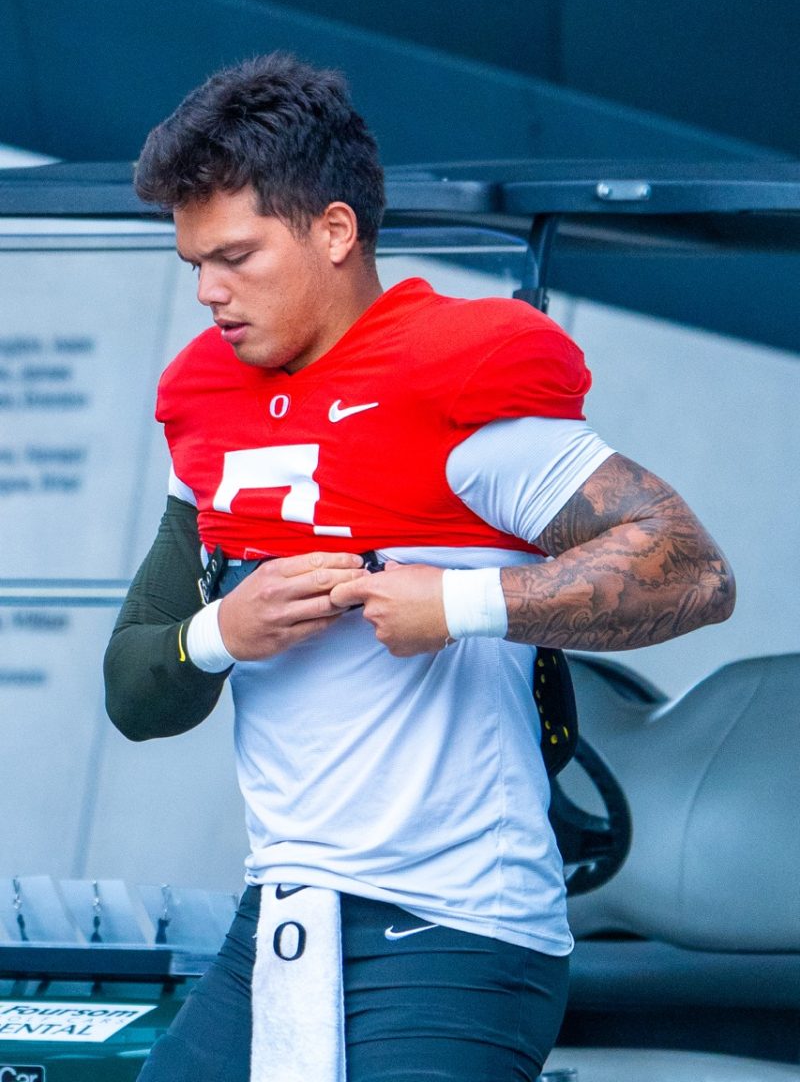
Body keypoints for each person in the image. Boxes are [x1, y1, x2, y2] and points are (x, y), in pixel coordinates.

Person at [104, 52, 735, 1082]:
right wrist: (225, 631)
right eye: (193, 267)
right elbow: (134, 689)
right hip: (281, 924)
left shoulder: (459, 381)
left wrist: (459, 601)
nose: (209, 293)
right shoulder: (206, 408)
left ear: (335, 230)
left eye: (236, 257)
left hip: (460, 934)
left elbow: (689, 570)